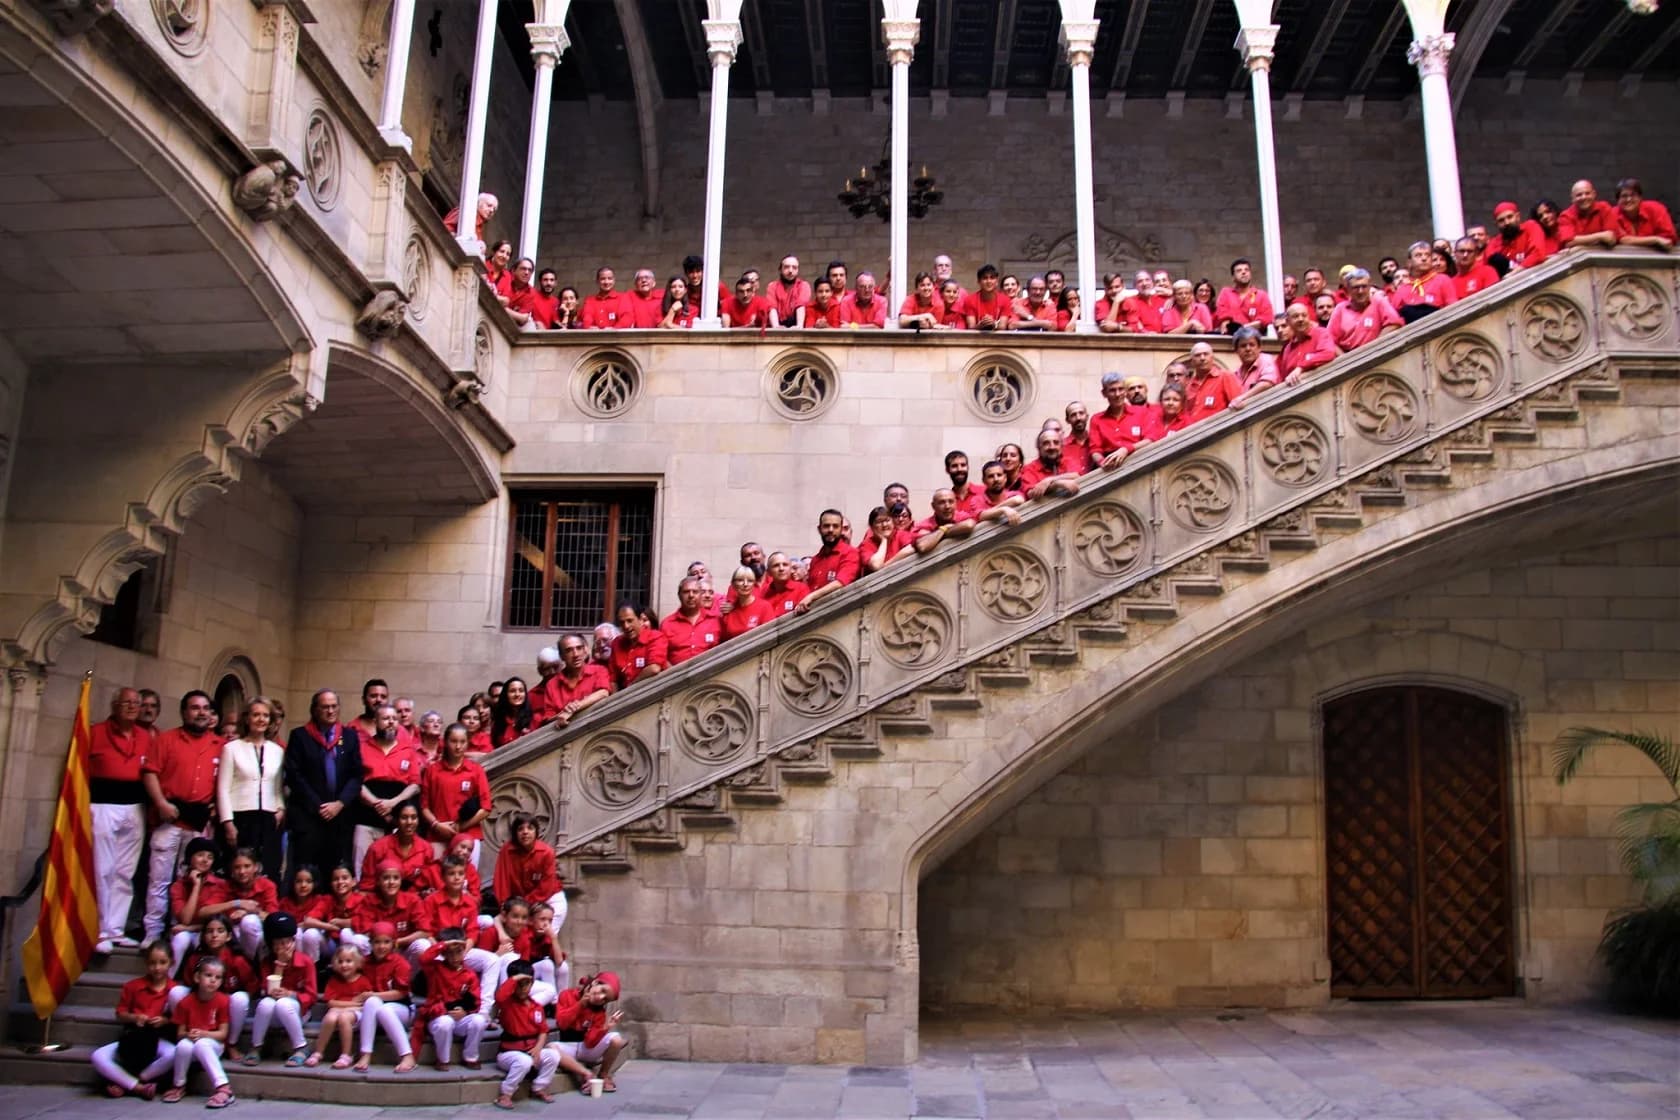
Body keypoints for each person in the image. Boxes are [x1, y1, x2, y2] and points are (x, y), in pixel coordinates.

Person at [140, 690, 221, 944]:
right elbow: (150, 772)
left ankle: (179, 929)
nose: (201, 713)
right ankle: (153, 932)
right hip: (169, 818)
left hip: (198, 823)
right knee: (159, 879)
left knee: (189, 880)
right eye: (195, 708)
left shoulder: (219, 745)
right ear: (184, 712)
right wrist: (160, 803)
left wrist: (216, 807)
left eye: (205, 708)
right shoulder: (166, 740)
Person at [89, 686, 150, 950]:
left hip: (134, 806)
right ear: (115, 705)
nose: (132, 707)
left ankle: (115, 928)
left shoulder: (145, 736)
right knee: (102, 869)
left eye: (136, 703)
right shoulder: (96, 732)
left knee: (125, 871)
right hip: (103, 804)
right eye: (127, 702)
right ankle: (99, 930)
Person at [284, 689, 362, 881]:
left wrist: (340, 803)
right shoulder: (300, 736)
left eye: (334, 706)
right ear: (315, 709)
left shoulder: (349, 737)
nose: (330, 711)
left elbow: (356, 775)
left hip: (340, 817)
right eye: (325, 707)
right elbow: (295, 775)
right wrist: (319, 805)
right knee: (305, 872)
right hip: (309, 816)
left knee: (335, 872)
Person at [92, 940, 176, 1099]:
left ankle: (130, 1082)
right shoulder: (133, 986)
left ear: (172, 963)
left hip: (157, 1039)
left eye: (162, 962)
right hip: (134, 1038)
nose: (157, 968)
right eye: (152, 963)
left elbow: (179, 1018)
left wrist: (165, 1020)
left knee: (174, 1053)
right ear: (146, 963)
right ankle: (138, 1087)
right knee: (98, 1056)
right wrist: (134, 1018)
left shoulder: (174, 990)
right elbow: (120, 1013)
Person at [217, 696, 285, 887]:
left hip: (268, 818)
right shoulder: (231, 748)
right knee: (239, 871)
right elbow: (223, 788)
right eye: (256, 715)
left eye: (265, 715)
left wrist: (280, 808)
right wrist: (228, 822)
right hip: (241, 817)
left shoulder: (277, 751)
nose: (261, 719)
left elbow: (278, 786)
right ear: (247, 718)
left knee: (268, 870)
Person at [353, 703, 423, 872]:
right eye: (385, 718)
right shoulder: (361, 748)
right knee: (362, 867)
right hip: (366, 818)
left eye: (394, 718)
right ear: (375, 721)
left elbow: (415, 785)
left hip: (397, 821)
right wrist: (376, 803)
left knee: (394, 870)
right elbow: (356, 782)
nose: (391, 722)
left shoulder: (407, 750)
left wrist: (393, 803)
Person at [161, 955, 234, 1107]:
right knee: (183, 1045)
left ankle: (223, 1087)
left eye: (218, 977)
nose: (213, 980)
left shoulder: (223, 1000)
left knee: (202, 1044)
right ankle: (179, 1085)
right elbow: (179, 1034)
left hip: (213, 1045)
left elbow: (223, 1034)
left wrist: (204, 1034)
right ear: (197, 977)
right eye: (208, 975)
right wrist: (188, 1035)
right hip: (192, 1044)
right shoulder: (185, 1002)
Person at [248, 912, 317, 1067]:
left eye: (287, 942)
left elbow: (311, 996)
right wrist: (280, 964)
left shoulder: (306, 961)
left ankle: (301, 1047)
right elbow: (268, 990)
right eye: (278, 943)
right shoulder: (267, 962)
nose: (283, 947)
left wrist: (291, 994)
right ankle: (256, 1046)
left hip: (297, 1011)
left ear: (293, 941)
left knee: (283, 1004)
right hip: (273, 1013)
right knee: (265, 1004)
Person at [413, 928, 487, 1071]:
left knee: (479, 1020)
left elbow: (475, 1001)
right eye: (450, 953)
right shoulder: (435, 968)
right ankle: (443, 1059)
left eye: (458, 952)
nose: (454, 957)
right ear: (444, 953)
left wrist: (465, 1012)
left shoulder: (469, 974)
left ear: (464, 950)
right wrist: (443, 945)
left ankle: (471, 1057)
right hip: (439, 1016)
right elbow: (423, 959)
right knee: (445, 1023)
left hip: (460, 1017)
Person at [493, 961, 563, 1108]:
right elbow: (499, 997)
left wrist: (538, 1048)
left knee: (553, 1056)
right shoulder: (507, 1003)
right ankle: (506, 1094)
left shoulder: (536, 1006)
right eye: (519, 984)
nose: (523, 988)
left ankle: (539, 1087)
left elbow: (543, 1030)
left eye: (527, 984)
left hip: (531, 1051)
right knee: (524, 1061)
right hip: (509, 1054)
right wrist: (514, 979)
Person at [421, 724, 491, 862]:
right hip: (438, 835)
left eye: (462, 742)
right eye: (453, 741)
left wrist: (460, 826)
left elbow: (486, 807)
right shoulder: (432, 770)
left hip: (468, 836)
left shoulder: (476, 770)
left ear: (467, 743)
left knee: (467, 875)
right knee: (435, 873)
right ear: (445, 742)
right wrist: (436, 825)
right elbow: (424, 806)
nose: (458, 746)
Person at [552, 972, 628, 1094]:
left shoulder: (599, 1012)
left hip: (585, 1048)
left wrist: (605, 1028)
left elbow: (590, 1043)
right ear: (595, 983)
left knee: (616, 1039)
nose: (601, 998)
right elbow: (562, 1024)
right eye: (602, 991)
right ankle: (587, 1074)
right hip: (568, 1046)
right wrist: (581, 1005)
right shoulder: (567, 995)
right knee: (550, 1047)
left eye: (605, 999)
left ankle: (603, 1074)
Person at [359, 922, 418, 1073]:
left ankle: (407, 1056)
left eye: (386, 942)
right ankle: (365, 1054)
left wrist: (373, 995)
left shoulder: (400, 963)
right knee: (372, 1002)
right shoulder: (365, 962)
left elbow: (401, 993)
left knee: (383, 1009)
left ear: (393, 943)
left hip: (401, 1009)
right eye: (377, 942)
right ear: (371, 943)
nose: (381, 946)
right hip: (372, 1011)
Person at [494, 814, 567, 927]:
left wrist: (524, 904)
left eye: (530, 828)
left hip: (549, 897)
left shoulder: (546, 852)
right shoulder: (507, 851)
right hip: (518, 901)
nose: (525, 832)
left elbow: (546, 886)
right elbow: (501, 881)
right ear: (515, 833)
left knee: (549, 926)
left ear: (536, 832)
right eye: (520, 829)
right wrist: (505, 905)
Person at [309, 944, 371, 1069]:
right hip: (341, 1009)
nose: (344, 965)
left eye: (348, 961)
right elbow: (331, 1002)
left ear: (357, 963)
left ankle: (346, 1055)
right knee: (330, 1017)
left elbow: (365, 1004)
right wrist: (352, 1004)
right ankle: (318, 1052)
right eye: (340, 961)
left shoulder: (363, 981)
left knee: (343, 1017)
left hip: (356, 1013)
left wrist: (349, 1007)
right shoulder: (334, 981)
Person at [166, 837, 222, 967]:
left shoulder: (219, 885)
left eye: (210, 857)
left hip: (209, 931)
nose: (205, 860)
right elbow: (185, 919)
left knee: (208, 938)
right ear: (190, 858)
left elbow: (217, 922)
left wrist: (190, 928)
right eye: (200, 855)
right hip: (185, 931)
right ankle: (169, 977)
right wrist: (196, 886)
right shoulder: (178, 886)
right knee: (181, 938)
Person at [537, 634, 614, 726]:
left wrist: (574, 708)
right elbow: (548, 718)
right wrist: (561, 716)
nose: (575, 654)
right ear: (561, 656)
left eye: (579, 648)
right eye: (569, 650)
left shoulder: (599, 670)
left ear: (585, 650)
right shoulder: (552, 684)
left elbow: (603, 693)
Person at [358, 802, 433, 892]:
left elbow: (426, 881)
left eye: (413, 817)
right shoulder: (377, 848)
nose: (409, 822)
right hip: (381, 897)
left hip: (413, 898)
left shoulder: (426, 848)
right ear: (396, 820)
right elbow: (366, 885)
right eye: (404, 817)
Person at [798, 509, 859, 613]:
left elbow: (841, 583)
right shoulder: (815, 560)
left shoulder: (850, 553)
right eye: (826, 526)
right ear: (819, 529)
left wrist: (811, 596)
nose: (831, 530)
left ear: (841, 529)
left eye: (835, 526)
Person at [1090, 373, 1155, 469]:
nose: (1117, 394)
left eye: (1120, 389)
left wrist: (1126, 449)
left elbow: (1150, 439)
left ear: (1125, 391)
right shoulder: (1097, 419)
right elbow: (1095, 450)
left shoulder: (1141, 412)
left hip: (1138, 462)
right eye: (1112, 390)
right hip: (1110, 467)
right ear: (1104, 393)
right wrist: (1102, 462)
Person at [1328, 268, 1402, 352]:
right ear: (1348, 289)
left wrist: (1375, 346)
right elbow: (1330, 340)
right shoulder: (1340, 309)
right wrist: (1344, 357)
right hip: (1348, 355)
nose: (1360, 291)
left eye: (1364, 286)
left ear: (1369, 286)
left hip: (1376, 352)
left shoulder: (1378, 302)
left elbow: (1395, 323)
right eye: (1356, 287)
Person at [277, 863, 335, 963]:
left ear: (315, 884)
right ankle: (298, 965)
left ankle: (312, 966)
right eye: (299, 881)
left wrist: (306, 924)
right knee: (297, 933)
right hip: (294, 941)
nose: (303, 885)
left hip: (322, 942)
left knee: (310, 934)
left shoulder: (321, 900)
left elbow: (310, 919)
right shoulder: (285, 902)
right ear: (293, 883)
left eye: (308, 881)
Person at [1390, 240, 1457, 322]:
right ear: (1409, 262)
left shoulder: (1443, 279)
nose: (1424, 258)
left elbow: (1453, 309)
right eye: (1418, 255)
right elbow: (1394, 320)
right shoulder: (1402, 289)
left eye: (1427, 255)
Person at [1181, 341, 1245, 425]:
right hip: (1193, 431)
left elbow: (1239, 404)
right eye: (1198, 355)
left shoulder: (1225, 377)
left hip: (1218, 430)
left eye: (1206, 354)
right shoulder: (1189, 385)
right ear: (1192, 361)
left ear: (1212, 358)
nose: (1202, 358)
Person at [662, 580, 722, 664]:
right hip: (677, 671)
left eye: (695, 592)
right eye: (686, 592)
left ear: (700, 595)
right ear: (679, 595)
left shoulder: (716, 620)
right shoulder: (667, 624)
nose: (691, 595)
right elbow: (661, 656)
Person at [1278, 304, 1340, 381]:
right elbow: (1285, 376)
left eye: (1304, 315)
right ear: (1288, 321)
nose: (1301, 319)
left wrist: (1301, 367)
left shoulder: (1321, 333)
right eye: (1296, 316)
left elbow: (1328, 354)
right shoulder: (1288, 349)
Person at [1215, 258, 1275, 334]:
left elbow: (1267, 318)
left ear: (1250, 274)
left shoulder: (1261, 295)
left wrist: (1242, 329)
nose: (1244, 272)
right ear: (1233, 277)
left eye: (1247, 270)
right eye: (1239, 271)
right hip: (1231, 337)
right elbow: (1223, 316)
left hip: (1254, 337)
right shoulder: (1226, 293)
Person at [1228, 326, 1282, 411]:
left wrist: (1243, 398)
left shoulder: (1266, 360)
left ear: (1259, 348)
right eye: (1243, 346)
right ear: (1236, 350)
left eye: (1252, 345)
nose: (1248, 349)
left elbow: (1267, 383)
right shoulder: (1236, 373)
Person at [1018, 429, 1082, 499]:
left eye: (1056, 442)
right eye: (1046, 443)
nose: (1052, 447)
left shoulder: (1069, 461)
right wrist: (1056, 484)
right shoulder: (1029, 469)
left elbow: (1077, 475)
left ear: (1061, 446)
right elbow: (1032, 493)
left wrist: (1049, 480)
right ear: (1039, 447)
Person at [1614, 178, 1676, 250]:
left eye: (1633, 195)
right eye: (1624, 196)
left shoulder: (1656, 209)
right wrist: (1655, 239)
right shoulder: (1613, 213)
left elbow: (1669, 238)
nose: (1629, 199)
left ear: (1640, 197)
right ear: (1618, 200)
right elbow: (1622, 239)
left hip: (1657, 253)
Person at [1488, 201, 1551, 271]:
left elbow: (1538, 254)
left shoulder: (1530, 227)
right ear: (1496, 224)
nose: (1507, 222)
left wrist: (1516, 271)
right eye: (1501, 220)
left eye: (1510, 217)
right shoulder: (1493, 244)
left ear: (1518, 216)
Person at [911, 489, 978, 555]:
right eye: (941, 502)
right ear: (933, 506)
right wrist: (943, 529)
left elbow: (969, 525)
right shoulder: (925, 524)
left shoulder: (961, 515)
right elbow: (922, 546)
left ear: (956, 503)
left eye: (951, 502)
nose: (947, 506)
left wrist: (940, 535)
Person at [1557, 179, 1619, 249]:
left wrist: (1578, 241)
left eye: (1587, 193)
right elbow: (1568, 243)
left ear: (1594, 194)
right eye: (1579, 195)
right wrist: (1600, 236)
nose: (1584, 197)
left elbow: (1611, 238)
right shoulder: (1566, 216)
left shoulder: (1604, 208)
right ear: (1572, 199)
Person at [719, 567, 775, 640]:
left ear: (754, 584)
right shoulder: (728, 611)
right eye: (740, 580)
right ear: (733, 584)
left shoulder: (764, 607)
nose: (745, 584)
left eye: (750, 581)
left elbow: (770, 636)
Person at [859, 506, 913, 573]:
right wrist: (884, 540)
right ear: (872, 527)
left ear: (892, 522)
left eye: (887, 520)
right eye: (879, 522)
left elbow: (912, 548)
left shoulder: (901, 535)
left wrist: (886, 565)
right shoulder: (865, 545)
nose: (884, 525)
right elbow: (876, 565)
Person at [962, 264, 1014, 330]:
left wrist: (994, 324)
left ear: (997, 281)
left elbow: (1002, 326)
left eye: (992, 278)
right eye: (985, 278)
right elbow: (971, 327)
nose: (989, 281)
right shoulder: (969, 300)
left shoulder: (1005, 300)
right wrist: (981, 325)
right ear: (979, 281)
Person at [759, 553, 811, 619]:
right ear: (769, 572)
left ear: (790, 569)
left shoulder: (801, 589)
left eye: (785, 565)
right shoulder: (764, 591)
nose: (781, 568)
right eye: (776, 565)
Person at [490, 677, 535, 747]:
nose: (517, 694)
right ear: (505, 695)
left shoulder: (535, 719)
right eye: (512, 691)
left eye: (521, 691)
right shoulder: (498, 724)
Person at [767, 255, 811, 327]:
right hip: (778, 323)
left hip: (797, 323)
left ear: (797, 271)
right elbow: (772, 308)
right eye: (786, 267)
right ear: (780, 270)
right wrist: (776, 327)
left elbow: (800, 306)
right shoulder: (772, 286)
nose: (790, 271)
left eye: (794, 268)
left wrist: (799, 326)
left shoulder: (804, 285)